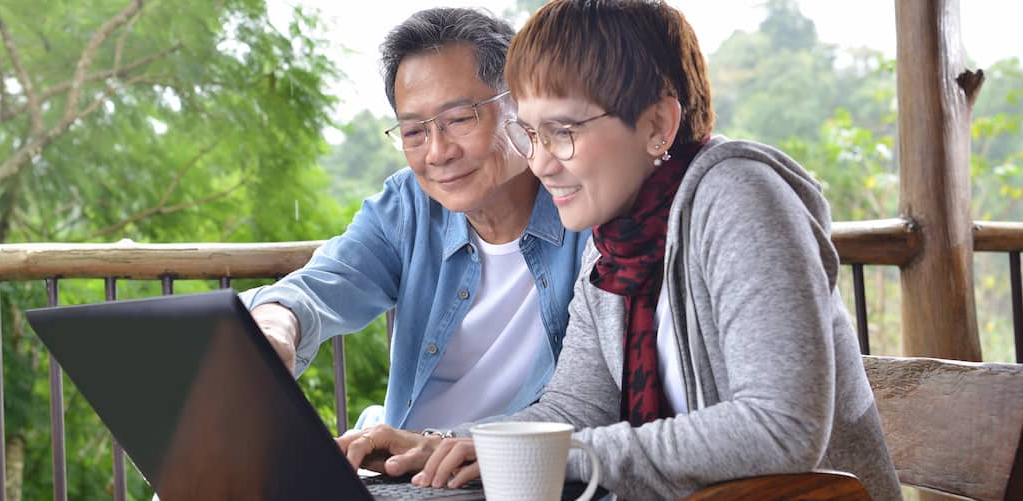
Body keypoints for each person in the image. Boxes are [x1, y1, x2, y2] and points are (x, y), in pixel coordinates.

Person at [383, 1, 902, 499]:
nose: (540, 164)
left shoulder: (740, 200)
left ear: (657, 126)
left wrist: (561, 453)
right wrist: (444, 444)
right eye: (531, 133)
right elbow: (575, 407)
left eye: (562, 132)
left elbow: (780, 427)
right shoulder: (617, 241)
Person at [242, 7, 590, 477]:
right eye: (413, 131)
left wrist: (451, 443)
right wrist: (275, 326)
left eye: (460, 119)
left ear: (521, 104)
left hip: (511, 474)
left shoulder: (588, 207)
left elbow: (592, 410)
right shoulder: (408, 205)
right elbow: (323, 284)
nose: (438, 152)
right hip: (403, 472)